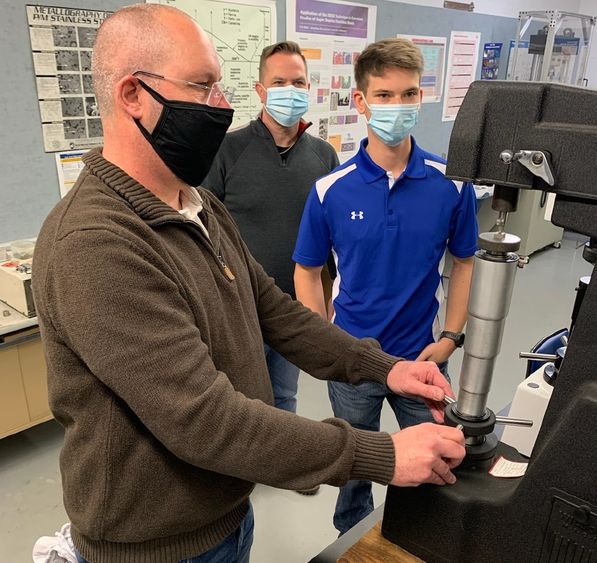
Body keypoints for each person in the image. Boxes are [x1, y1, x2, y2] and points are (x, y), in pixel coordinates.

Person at [32, 7, 466, 563]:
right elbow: (205, 419)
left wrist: (386, 368)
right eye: (202, 86)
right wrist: (380, 455)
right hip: (157, 547)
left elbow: (275, 312)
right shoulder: (96, 243)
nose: (222, 105)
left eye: (220, 86)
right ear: (132, 95)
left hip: (223, 516)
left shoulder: (197, 204)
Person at [293, 38, 478, 535]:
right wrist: (326, 341)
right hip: (353, 360)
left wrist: (450, 339)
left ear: (422, 97)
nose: (398, 106)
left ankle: (425, 534)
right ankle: (351, 537)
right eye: (385, 95)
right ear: (361, 100)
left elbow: (464, 263)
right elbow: (307, 271)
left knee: (440, 456)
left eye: (409, 94)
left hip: (422, 359)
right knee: (356, 462)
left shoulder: (451, 184)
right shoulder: (331, 190)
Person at [203, 41, 339, 431]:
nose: (290, 90)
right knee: (237, 394)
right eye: (279, 82)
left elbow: (330, 239)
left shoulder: (323, 157)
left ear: (309, 88)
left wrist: (327, 302)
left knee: (285, 393)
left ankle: (288, 462)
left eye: (298, 82)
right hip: (238, 304)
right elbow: (202, 228)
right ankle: (241, 469)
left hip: (293, 306)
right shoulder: (226, 151)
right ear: (260, 91)